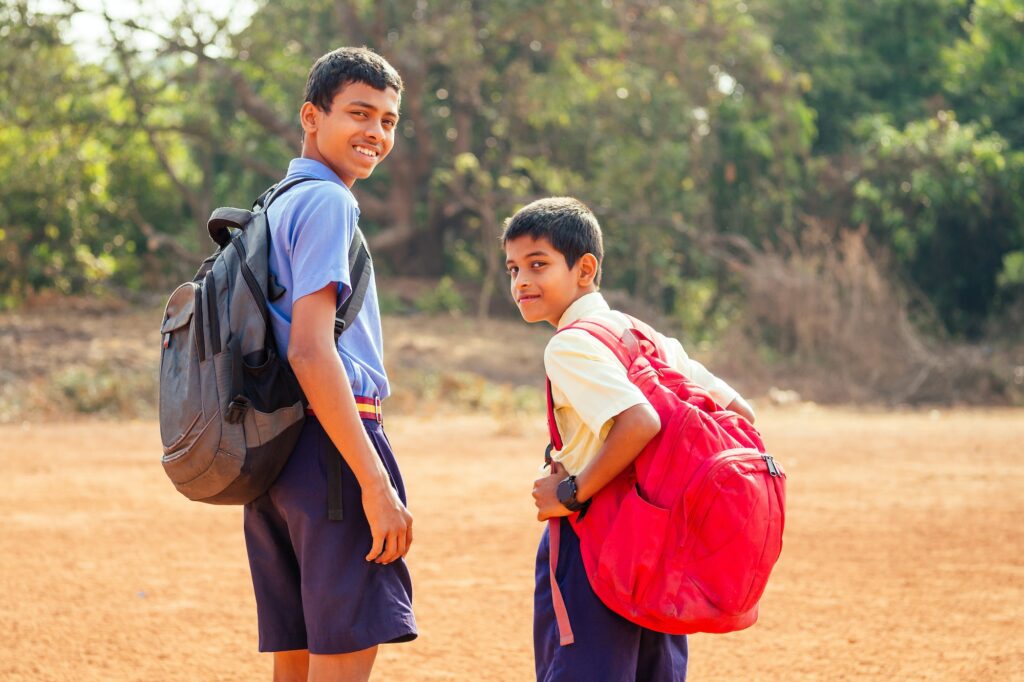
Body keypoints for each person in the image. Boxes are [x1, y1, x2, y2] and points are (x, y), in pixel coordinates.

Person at [502, 197, 755, 681]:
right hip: (661, 542)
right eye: (513, 269)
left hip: (597, 540)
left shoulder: (571, 342)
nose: (521, 282)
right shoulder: (646, 335)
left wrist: (570, 493)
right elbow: (739, 412)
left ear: (585, 268)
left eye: (538, 265)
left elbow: (639, 421)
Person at [242, 47, 416, 682]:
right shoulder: (328, 203)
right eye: (360, 114)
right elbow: (312, 349)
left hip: (274, 452)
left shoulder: (275, 201)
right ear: (312, 116)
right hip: (333, 450)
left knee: (294, 664)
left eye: (389, 122)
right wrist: (375, 483)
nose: (375, 133)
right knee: (340, 665)